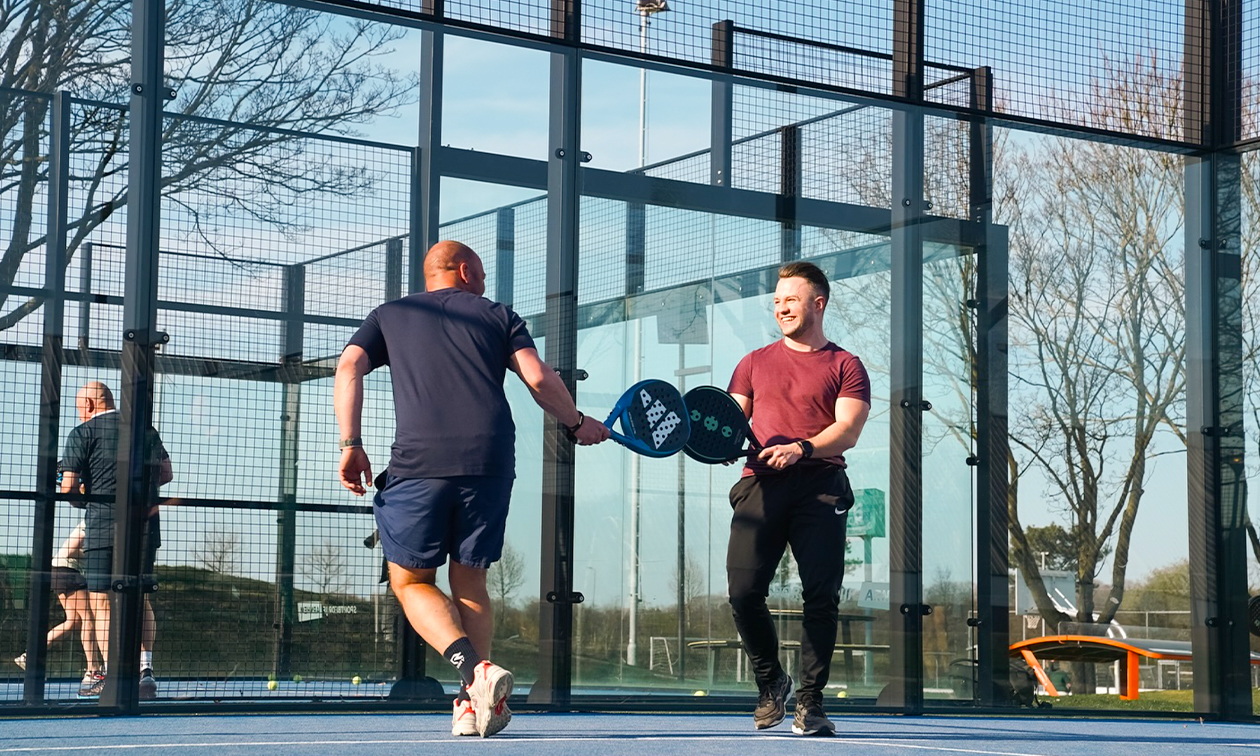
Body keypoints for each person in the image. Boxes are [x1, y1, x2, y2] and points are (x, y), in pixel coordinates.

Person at [335, 240, 609, 738]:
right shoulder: (498, 314)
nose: (484, 284)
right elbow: (537, 377)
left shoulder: (388, 315)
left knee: (412, 581)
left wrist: (351, 443)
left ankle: (474, 672)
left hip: (419, 465)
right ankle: (470, 705)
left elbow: (348, 366)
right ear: (465, 271)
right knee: (471, 583)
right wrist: (576, 422)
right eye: (481, 274)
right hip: (490, 461)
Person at [724, 260, 871, 736]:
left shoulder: (846, 365)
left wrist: (802, 447)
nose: (781, 308)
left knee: (821, 597)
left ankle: (811, 701)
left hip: (821, 486)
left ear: (818, 303)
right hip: (760, 484)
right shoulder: (752, 363)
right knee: (744, 593)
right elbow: (732, 423)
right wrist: (724, 445)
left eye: (791, 299)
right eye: (777, 302)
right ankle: (772, 684)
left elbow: (847, 430)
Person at [58, 381, 172, 700]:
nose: (79, 412)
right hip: (144, 527)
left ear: (91, 405)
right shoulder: (143, 429)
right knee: (140, 598)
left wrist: (84, 498)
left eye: (80, 406)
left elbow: (68, 487)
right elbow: (166, 473)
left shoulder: (82, 433)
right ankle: (145, 670)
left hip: (102, 527)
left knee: (101, 601)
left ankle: (114, 675)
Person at [14, 521, 105, 697]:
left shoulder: (99, 522)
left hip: (61, 570)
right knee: (90, 618)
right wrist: (95, 557)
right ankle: (92, 670)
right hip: (67, 571)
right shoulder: (92, 521)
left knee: (73, 621)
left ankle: (29, 656)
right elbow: (72, 550)